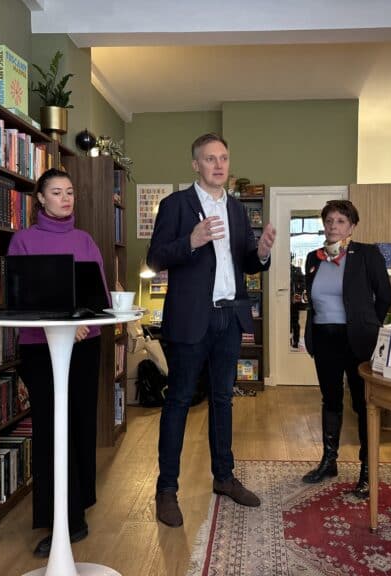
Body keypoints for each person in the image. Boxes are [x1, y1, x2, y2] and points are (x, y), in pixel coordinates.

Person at [148, 133, 276, 527]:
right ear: (195, 165)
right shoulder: (175, 205)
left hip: (229, 319)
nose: (218, 165)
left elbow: (247, 265)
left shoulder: (237, 210)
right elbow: (155, 259)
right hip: (189, 320)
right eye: (209, 159)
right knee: (180, 402)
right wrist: (191, 240)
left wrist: (263, 253)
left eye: (223, 158)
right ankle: (166, 490)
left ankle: (224, 477)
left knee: (223, 399)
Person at [7, 168, 110, 556]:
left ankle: (78, 511)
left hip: (84, 347)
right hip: (40, 348)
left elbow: (97, 297)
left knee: (81, 425)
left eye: (70, 192)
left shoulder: (86, 241)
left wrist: (80, 322)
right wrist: (63, 324)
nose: (65, 198)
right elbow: (20, 299)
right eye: (56, 192)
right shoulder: (23, 241)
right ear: (40, 198)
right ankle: (59, 521)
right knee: (51, 430)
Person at [301, 200, 391, 498]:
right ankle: (329, 462)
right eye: (329, 220)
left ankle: (368, 469)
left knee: (361, 404)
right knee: (330, 400)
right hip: (324, 338)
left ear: (351, 226)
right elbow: (313, 301)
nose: (333, 226)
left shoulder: (367, 254)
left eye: (340, 221)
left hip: (358, 339)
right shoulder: (312, 258)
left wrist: (368, 324)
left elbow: (384, 297)